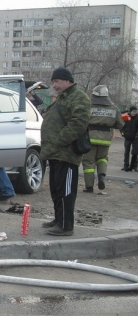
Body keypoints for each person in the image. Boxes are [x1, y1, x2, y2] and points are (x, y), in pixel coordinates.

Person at [40, 67, 91, 236]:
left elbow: (78, 123)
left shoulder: (79, 97)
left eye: (57, 81)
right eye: (53, 81)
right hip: (55, 153)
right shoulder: (63, 98)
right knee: (56, 189)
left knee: (66, 191)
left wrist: (59, 140)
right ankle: (58, 219)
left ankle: (65, 226)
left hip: (66, 153)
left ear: (68, 80)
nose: (54, 85)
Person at [81, 85, 124, 192]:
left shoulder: (88, 106)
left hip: (90, 137)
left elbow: (81, 121)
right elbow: (120, 124)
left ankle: (89, 187)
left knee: (88, 162)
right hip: (106, 139)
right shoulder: (114, 108)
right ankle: (101, 176)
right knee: (103, 158)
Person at [121, 106, 138, 171]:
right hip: (127, 138)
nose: (135, 113)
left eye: (136, 111)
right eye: (133, 111)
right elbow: (121, 126)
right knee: (126, 152)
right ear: (130, 111)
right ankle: (126, 166)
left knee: (135, 153)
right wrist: (123, 134)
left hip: (135, 139)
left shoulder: (137, 118)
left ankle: (134, 166)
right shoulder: (126, 117)